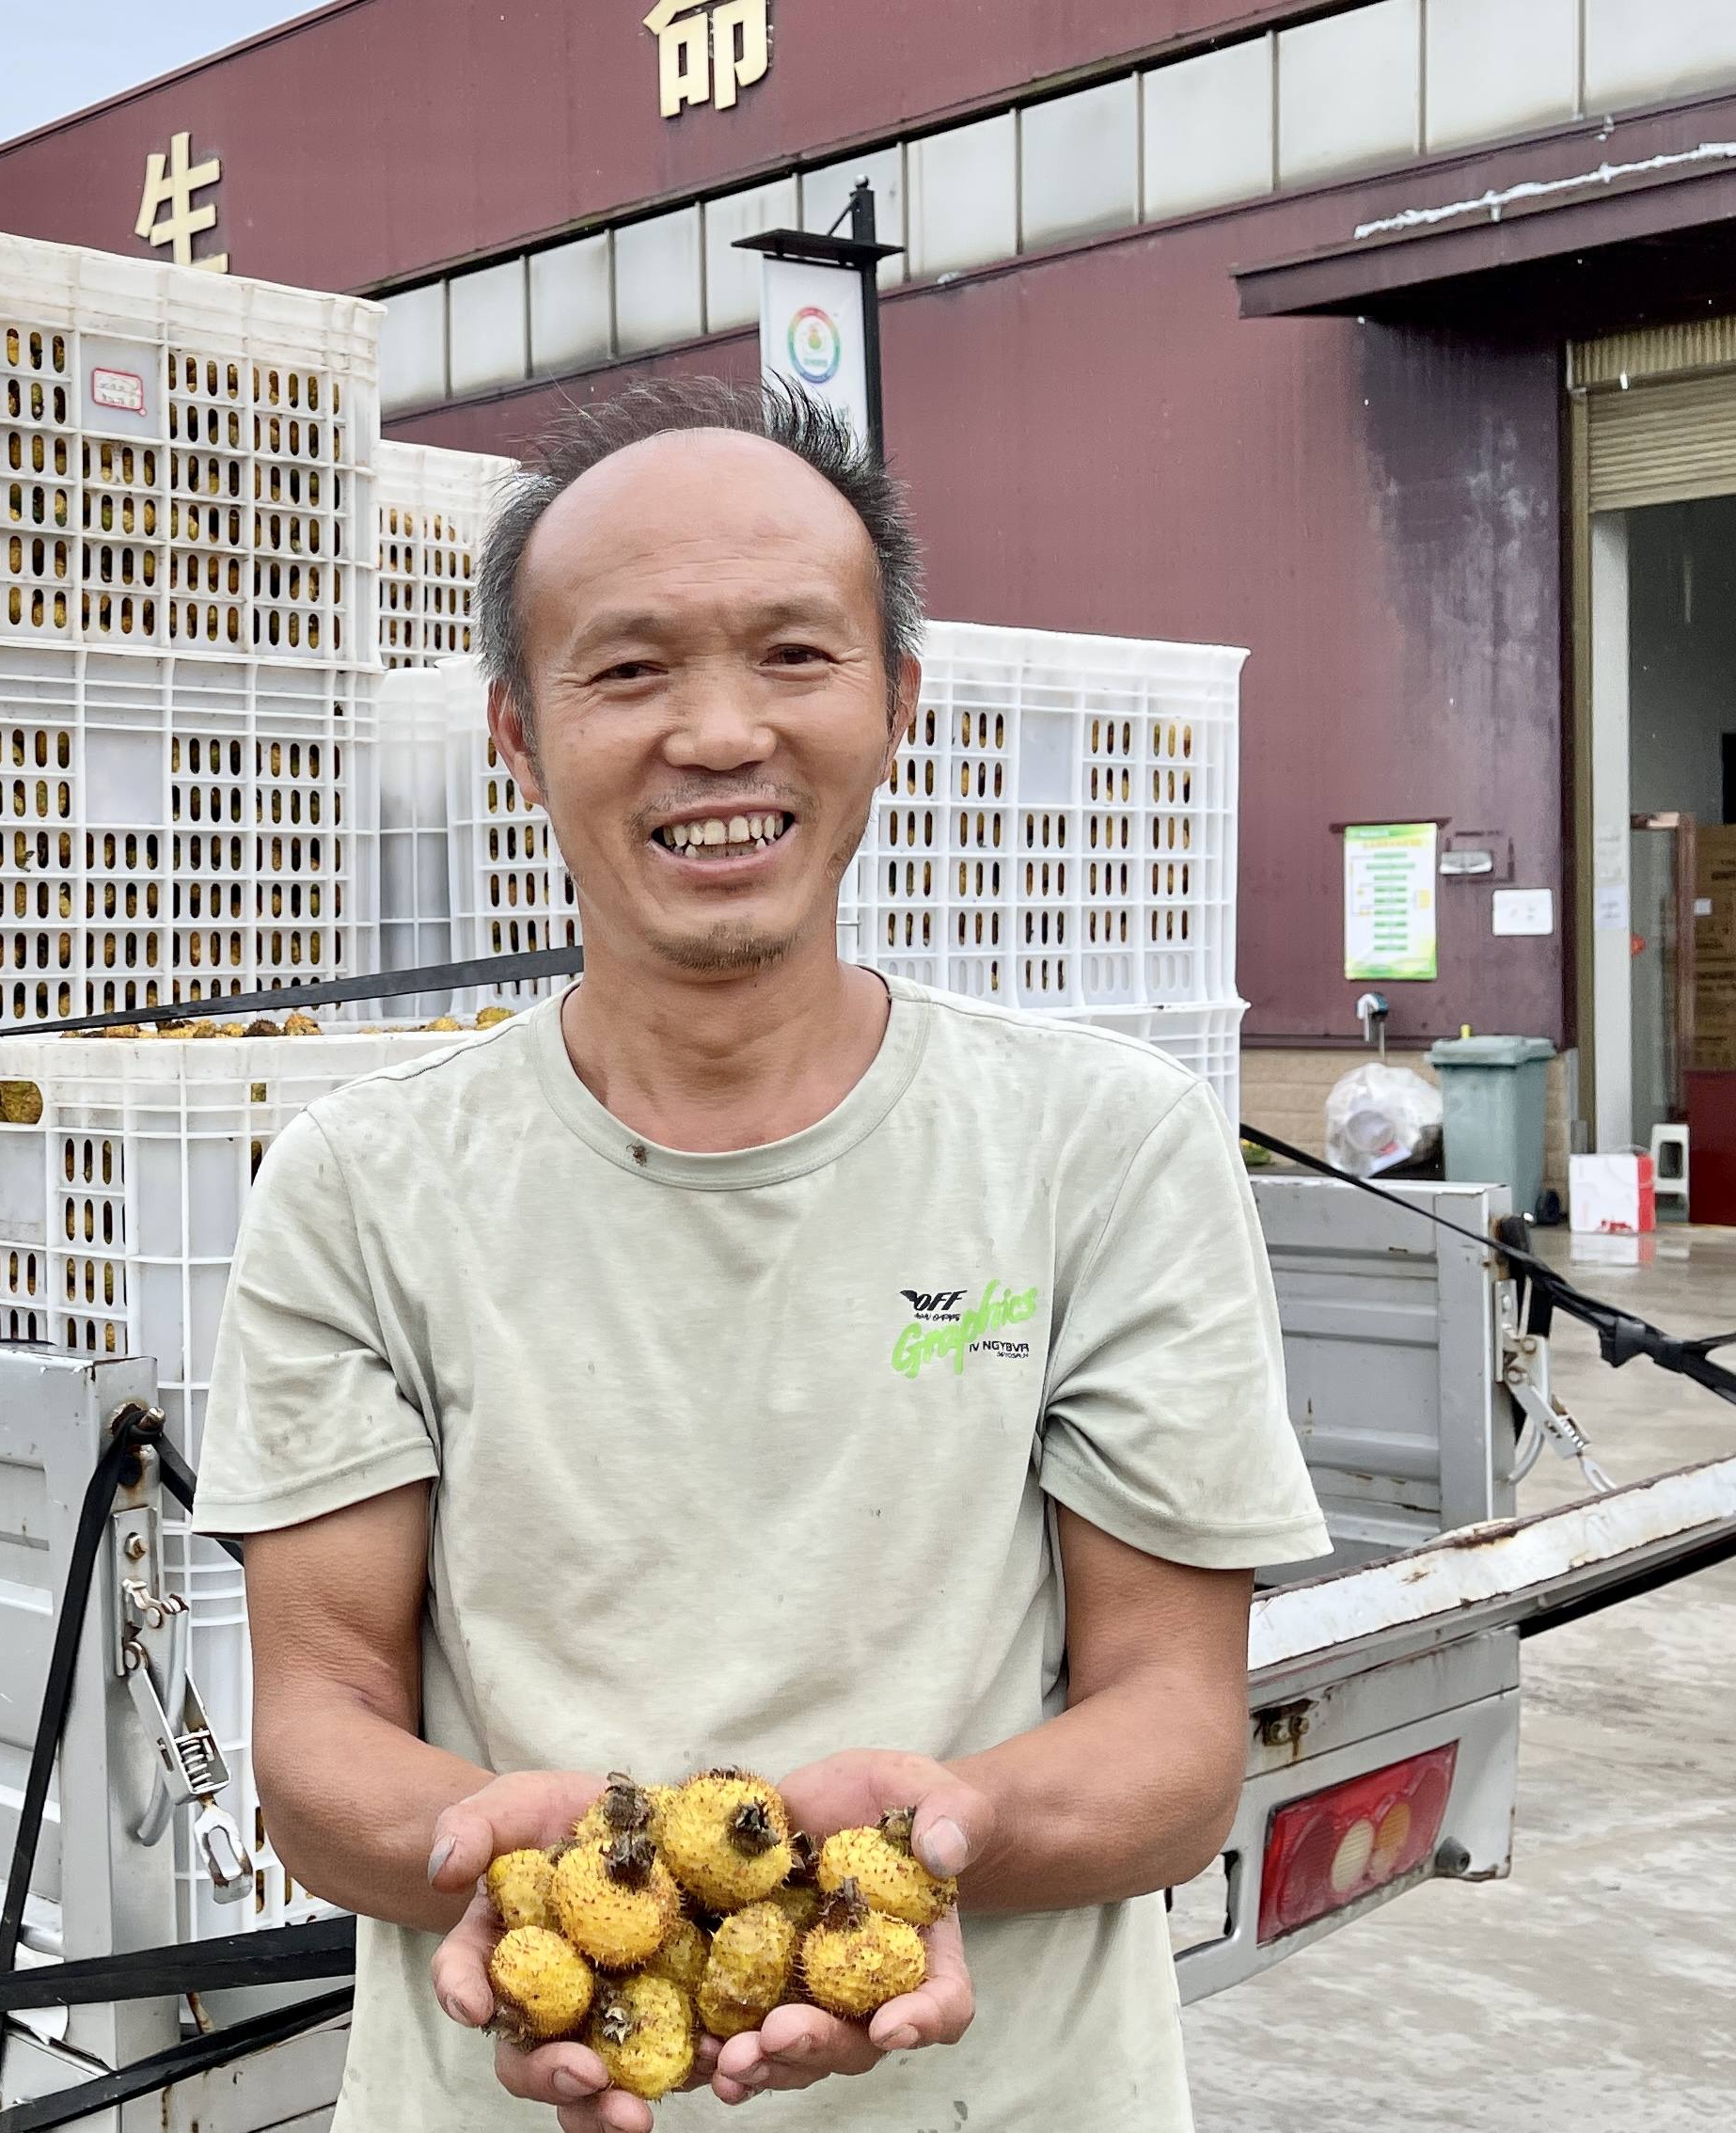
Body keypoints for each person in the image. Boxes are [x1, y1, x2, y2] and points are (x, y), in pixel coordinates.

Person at [197, 381, 1328, 2133]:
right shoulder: (363, 1185)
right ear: (515, 735)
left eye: (795, 654)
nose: (717, 734)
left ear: (898, 706)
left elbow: (1174, 1740)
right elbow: (319, 1726)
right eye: (628, 668)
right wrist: (497, 1858)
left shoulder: (1097, 1148)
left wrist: (944, 1835)